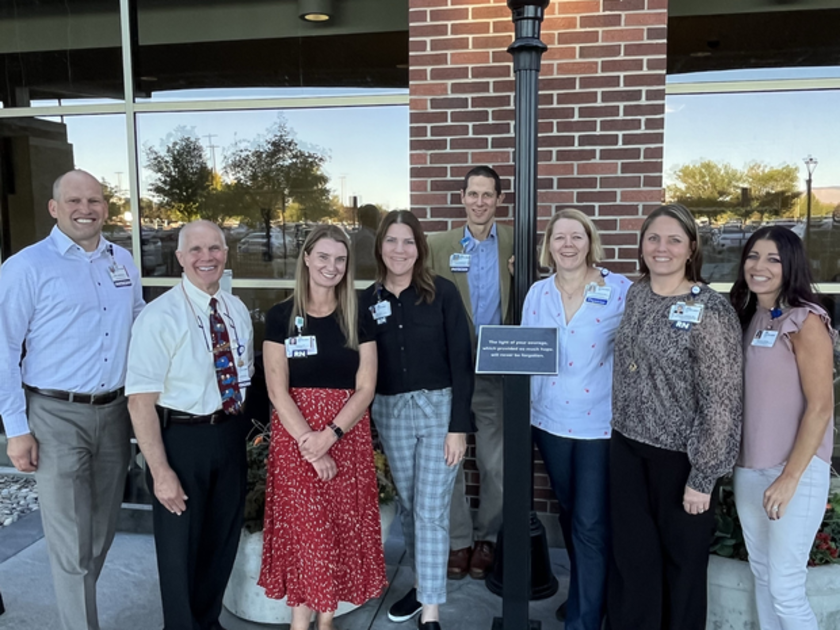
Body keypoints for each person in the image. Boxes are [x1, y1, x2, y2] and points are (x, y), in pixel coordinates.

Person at [0, 169, 144, 630]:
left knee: (100, 535)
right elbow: (3, 347)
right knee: (69, 541)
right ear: (54, 208)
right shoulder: (26, 266)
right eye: (75, 200)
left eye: (95, 200)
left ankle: (79, 608)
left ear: (106, 207)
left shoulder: (122, 259)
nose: (86, 209)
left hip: (115, 412)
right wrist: (16, 428)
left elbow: (140, 322)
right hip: (54, 415)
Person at [607, 203, 743, 630]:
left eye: (673, 240)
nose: (660, 248)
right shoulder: (637, 292)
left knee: (681, 569)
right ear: (641, 245)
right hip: (627, 447)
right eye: (653, 238)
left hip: (680, 459)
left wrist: (703, 477)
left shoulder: (711, 311)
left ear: (691, 249)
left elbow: (723, 399)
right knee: (632, 562)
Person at [125, 220, 254, 630]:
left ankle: (208, 621)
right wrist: (160, 471)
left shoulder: (235, 311)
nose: (206, 257)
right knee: (181, 550)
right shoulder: (158, 317)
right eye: (195, 250)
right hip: (181, 440)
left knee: (221, 542)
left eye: (214, 248)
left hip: (229, 434)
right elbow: (139, 402)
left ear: (225, 254)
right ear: (179, 258)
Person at [259, 224, 386, 630]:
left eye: (341, 259)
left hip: (344, 436)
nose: (332, 267)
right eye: (324, 257)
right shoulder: (281, 316)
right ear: (308, 258)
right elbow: (277, 390)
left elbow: (366, 388)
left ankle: (327, 618)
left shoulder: (358, 314)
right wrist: (308, 444)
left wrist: (329, 436)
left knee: (338, 527)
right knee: (305, 530)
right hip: (296, 439)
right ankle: (301, 620)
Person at [361, 211, 474, 630]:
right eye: (391, 241)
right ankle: (422, 584)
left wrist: (458, 427)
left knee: (429, 510)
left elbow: (462, 363)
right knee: (410, 506)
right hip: (391, 412)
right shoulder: (368, 301)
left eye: (408, 242)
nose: (399, 250)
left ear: (419, 248)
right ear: (380, 248)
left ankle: (430, 611)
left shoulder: (442, 293)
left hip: (438, 410)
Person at [521, 209, 630, 630]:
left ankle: (583, 620)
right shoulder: (537, 294)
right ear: (548, 245)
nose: (567, 245)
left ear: (590, 242)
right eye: (559, 237)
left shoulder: (617, 289)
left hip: (598, 424)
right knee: (569, 510)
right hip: (548, 421)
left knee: (589, 520)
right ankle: (591, 594)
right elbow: (527, 354)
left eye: (576, 237)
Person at [730, 226, 836, 630]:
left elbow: (821, 407)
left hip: (794, 470)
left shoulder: (806, 320)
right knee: (763, 575)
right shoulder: (750, 314)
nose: (759, 266)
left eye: (772, 259)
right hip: (750, 466)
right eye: (753, 256)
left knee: (787, 589)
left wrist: (791, 477)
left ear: (790, 265)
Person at [427, 165, 513, 580]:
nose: (480, 202)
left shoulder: (516, 242)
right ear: (462, 197)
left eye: (488, 195)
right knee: (451, 461)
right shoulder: (438, 245)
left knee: (496, 463)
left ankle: (488, 539)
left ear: (499, 200)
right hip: (450, 369)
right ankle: (458, 541)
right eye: (473, 194)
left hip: (496, 370)